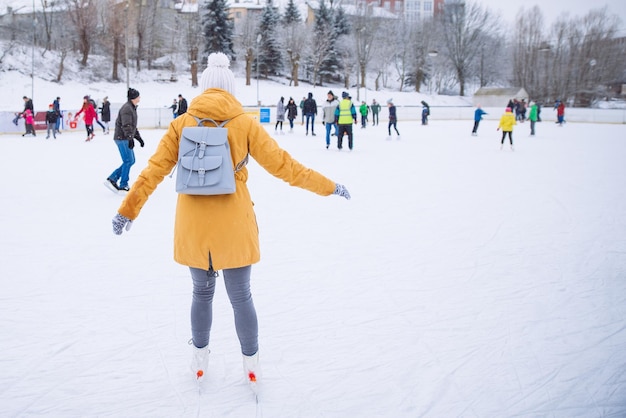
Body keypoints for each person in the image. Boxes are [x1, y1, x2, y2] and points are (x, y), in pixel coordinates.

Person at [109, 53, 351, 393]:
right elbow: (286, 167)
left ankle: (199, 358)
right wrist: (330, 187)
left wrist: (127, 210)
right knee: (241, 297)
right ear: (230, 88)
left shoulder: (181, 124)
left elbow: (152, 173)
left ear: (204, 87)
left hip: (193, 224)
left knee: (201, 293)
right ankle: (251, 365)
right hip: (234, 222)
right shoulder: (245, 122)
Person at [105, 88, 144, 192]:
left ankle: (113, 177)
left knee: (131, 160)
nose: (139, 98)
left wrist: (138, 137)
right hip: (122, 138)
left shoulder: (131, 108)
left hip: (124, 137)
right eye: (138, 97)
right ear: (133, 98)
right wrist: (130, 138)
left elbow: (132, 126)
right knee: (128, 161)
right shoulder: (127, 108)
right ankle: (123, 184)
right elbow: (126, 125)